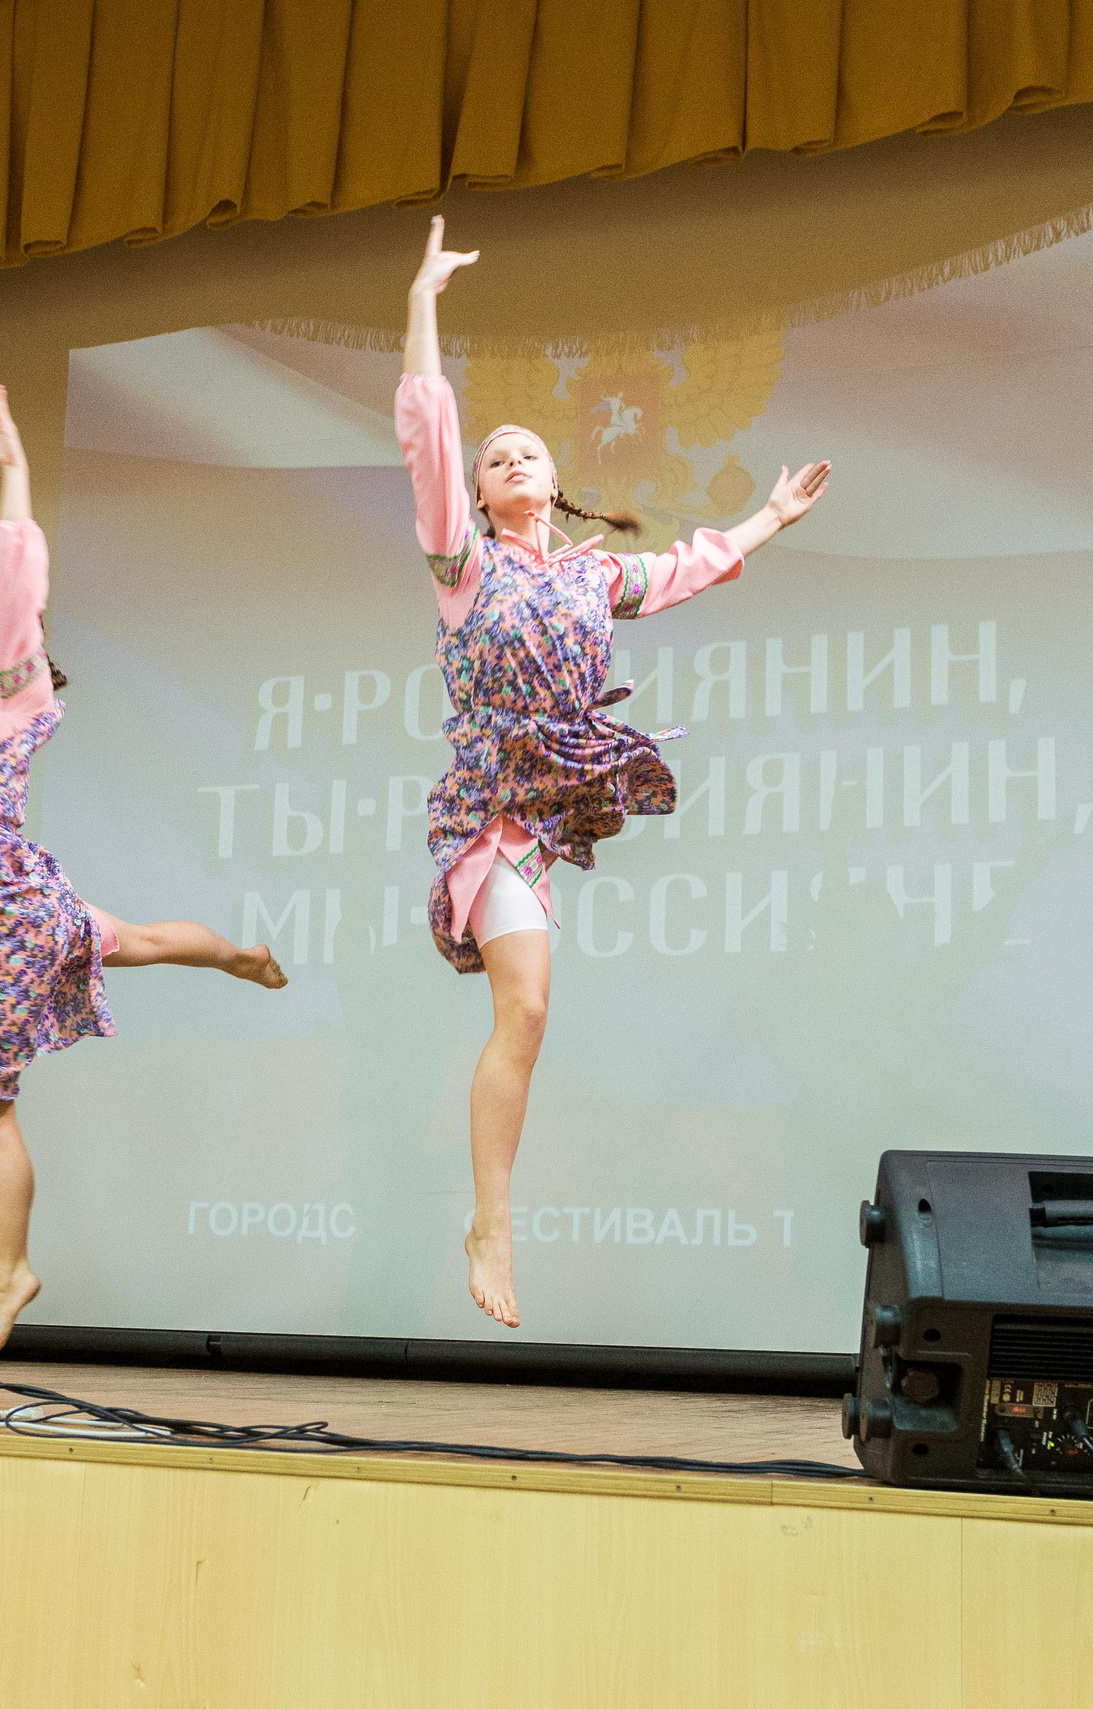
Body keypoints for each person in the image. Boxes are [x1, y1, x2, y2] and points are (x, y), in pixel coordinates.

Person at [397, 217, 831, 1330]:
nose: (507, 460)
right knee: (527, 1002)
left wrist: (770, 517)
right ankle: (490, 1219)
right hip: (491, 811)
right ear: (482, 494)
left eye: (524, 450)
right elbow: (429, 437)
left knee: (532, 1018)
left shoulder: (592, 581)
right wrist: (422, 304)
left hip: (550, 816)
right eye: (493, 458)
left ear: (552, 479)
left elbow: (687, 567)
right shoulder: (462, 566)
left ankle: (491, 1214)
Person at [0, 384, 288, 1362]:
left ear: (16, 640)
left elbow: (15, 581)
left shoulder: (14, 692)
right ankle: (238, 956)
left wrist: (13, 478)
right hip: (4, 903)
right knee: (139, 938)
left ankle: (10, 1269)